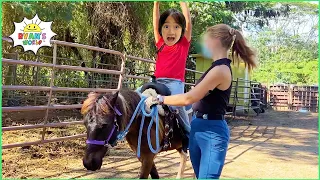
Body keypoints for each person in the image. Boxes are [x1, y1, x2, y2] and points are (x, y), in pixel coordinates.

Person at [145, 24, 257, 179]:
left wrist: (159, 99)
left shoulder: (221, 70)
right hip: (198, 127)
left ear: (216, 41)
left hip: (212, 132)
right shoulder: (214, 67)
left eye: (206, 39)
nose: (204, 44)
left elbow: (188, 98)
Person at [137, 1, 192, 153]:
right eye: (166, 26)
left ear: (182, 30)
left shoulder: (183, 45)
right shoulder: (160, 43)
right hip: (158, 82)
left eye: (176, 27)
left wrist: (183, 3)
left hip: (175, 84)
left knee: (176, 106)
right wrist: (156, 3)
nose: (171, 31)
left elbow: (188, 22)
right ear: (161, 29)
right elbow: (154, 23)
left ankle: (188, 134)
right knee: (136, 97)